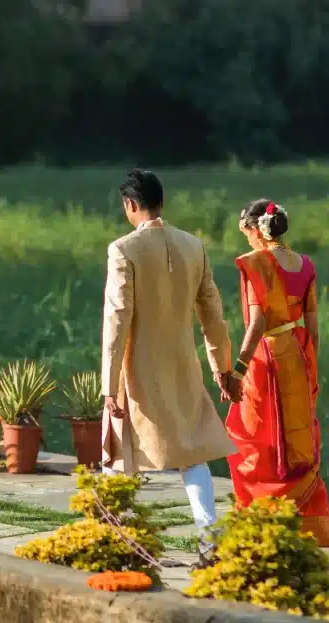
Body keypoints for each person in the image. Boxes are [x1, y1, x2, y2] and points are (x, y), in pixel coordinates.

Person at [100, 169, 237, 568]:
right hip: (183, 364)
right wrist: (221, 366)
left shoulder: (123, 249)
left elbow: (117, 318)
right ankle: (209, 543)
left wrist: (109, 383)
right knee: (191, 454)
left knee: (117, 456)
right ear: (162, 201)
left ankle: (118, 542)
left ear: (129, 205)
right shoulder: (194, 246)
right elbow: (213, 312)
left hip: (137, 366)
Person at [223, 199, 329, 548]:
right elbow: (314, 329)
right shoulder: (306, 264)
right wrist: (311, 369)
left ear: (256, 229)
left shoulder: (255, 264)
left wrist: (237, 369)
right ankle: (300, 529)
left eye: (246, 232)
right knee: (295, 439)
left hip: (265, 359)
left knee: (256, 439)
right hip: (298, 355)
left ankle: (261, 524)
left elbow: (257, 323)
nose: (246, 240)